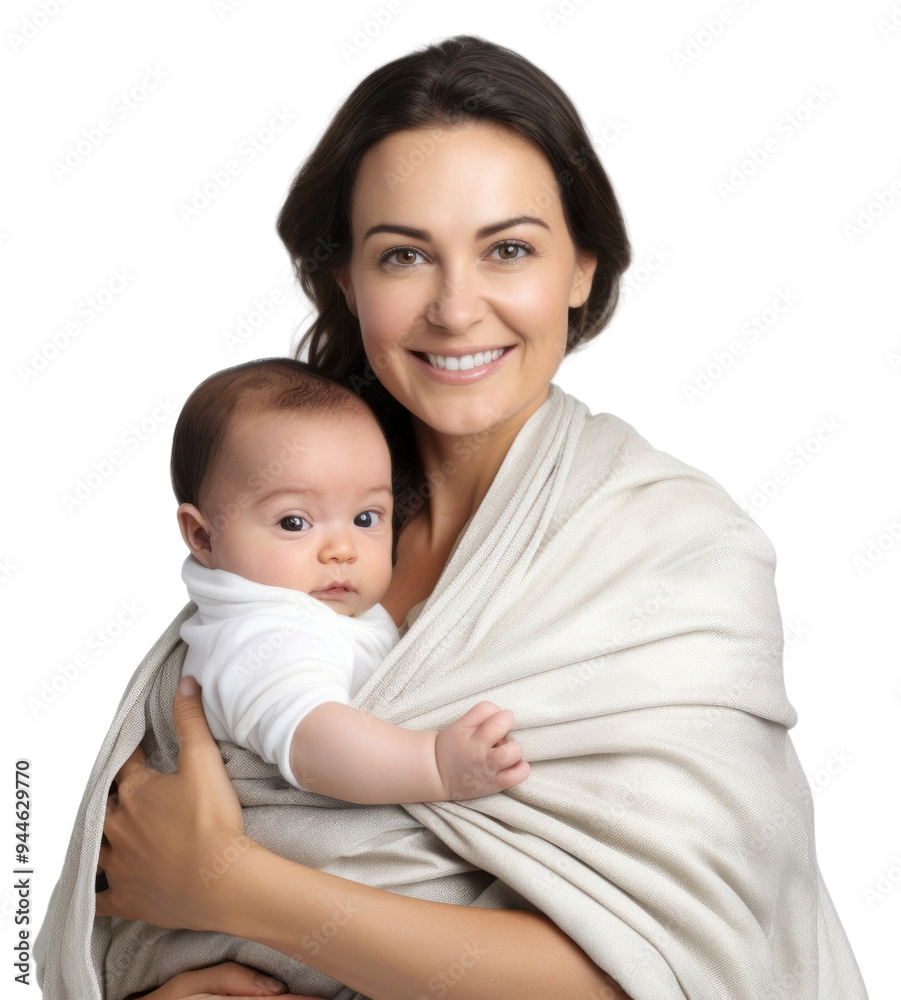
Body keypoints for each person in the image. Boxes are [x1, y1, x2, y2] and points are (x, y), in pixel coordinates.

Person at [36, 34, 868, 1000]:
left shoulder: (677, 552)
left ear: (582, 270)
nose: (456, 307)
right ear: (346, 281)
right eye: (403, 257)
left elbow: (667, 966)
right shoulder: (282, 524)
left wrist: (235, 889)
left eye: (508, 249)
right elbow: (134, 861)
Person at [172, 357, 529, 802]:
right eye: (294, 523)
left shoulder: (313, 613)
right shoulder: (263, 636)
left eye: (365, 517)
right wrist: (434, 765)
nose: (342, 549)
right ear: (203, 536)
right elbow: (314, 741)